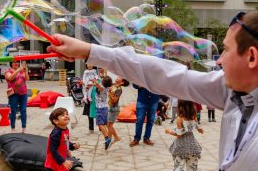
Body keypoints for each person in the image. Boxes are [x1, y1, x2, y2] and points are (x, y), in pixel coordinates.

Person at [46, 11, 258, 170]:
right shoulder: (233, 89)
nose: (220, 60)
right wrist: (87, 50)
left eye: (227, 50)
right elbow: (166, 74)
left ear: (252, 57)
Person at [165, 100, 203, 171]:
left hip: (181, 146)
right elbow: (198, 127)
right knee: (192, 167)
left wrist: (169, 131)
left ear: (180, 107)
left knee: (179, 167)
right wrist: (200, 130)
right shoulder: (193, 117)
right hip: (192, 145)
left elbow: (179, 134)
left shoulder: (180, 119)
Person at [5, 61, 29, 133]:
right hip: (13, 94)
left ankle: (24, 128)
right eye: (14, 62)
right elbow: (10, 78)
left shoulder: (22, 71)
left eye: (17, 62)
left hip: (23, 93)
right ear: (11, 64)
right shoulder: (8, 71)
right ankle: (13, 128)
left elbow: (27, 79)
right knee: (13, 111)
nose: (16, 64)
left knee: (23, 110)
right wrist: (18, 70)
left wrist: (26, 71)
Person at [107, 76, 130, 148]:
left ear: (122, 82)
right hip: (111, 107)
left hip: (114, 109)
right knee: (109, 125)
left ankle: (108, 140)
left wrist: (110, 92)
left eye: (120, 77)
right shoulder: (114, 85)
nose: (117, 77)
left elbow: (114, 100)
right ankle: (116, 138)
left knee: (109, 125)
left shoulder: (119, 89)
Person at [95, 75, 113, 150]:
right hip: (105, 108)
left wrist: (95, 80)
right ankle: (107, 137)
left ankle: (107, 138)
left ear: (103, 82)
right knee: (103, 124)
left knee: (100, 124)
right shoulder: (107, 88)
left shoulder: (101, 88)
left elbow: (98, 85)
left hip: (100, 109)